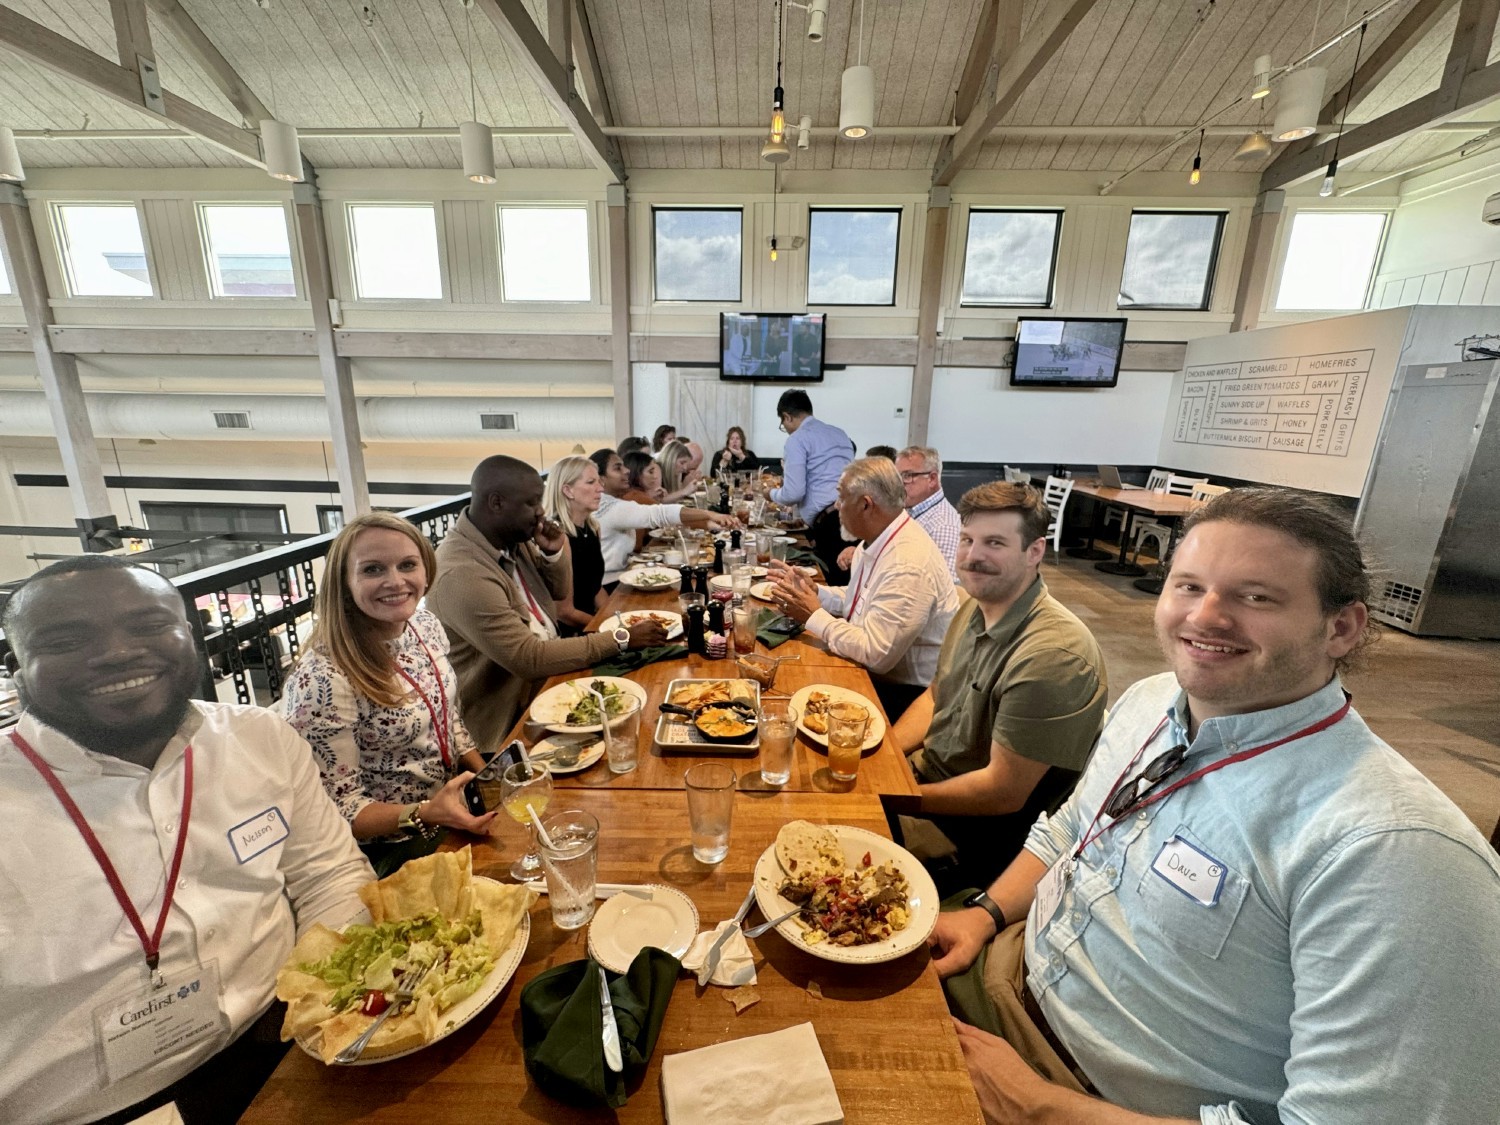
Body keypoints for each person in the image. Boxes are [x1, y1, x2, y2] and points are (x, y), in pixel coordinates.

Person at [929, 487, 1500, 1125]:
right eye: (1189, 586)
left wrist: (1035, 1106)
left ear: (1342, 627)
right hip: (1004, 964)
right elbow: (1071, 829)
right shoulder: (1151, 701)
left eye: (1256, 596)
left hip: (1074, 1093)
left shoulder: (1397, 855)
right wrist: (984, 915)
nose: (1207, 617)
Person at [0, 556, 374, 1125]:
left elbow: (330, 876)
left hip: (289, 1042)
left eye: (149, 625)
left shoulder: (260, 738)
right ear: (15, 666)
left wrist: (331, 1000)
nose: (118, 652)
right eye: (67, 638)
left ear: (190, 636)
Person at [891, 481, 1106, 891]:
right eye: (968, 539)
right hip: (927, 785)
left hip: (973, 838)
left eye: (994, 543)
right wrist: (882, 758)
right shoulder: (974, 606)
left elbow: (1002, 794)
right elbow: (938, 694)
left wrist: (897, 796)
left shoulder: (1053, 656)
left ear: (1035, 551)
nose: (973, 556)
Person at [281, 513, 496, 870]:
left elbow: (448, 717)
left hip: (451, 814)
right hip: (388, 853)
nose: (395, 581)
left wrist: (490, 778)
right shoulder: (321, 679)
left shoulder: (423, 625)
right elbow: (337, 809)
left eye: (407, 565)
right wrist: (428, 813)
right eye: (373, 570)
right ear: (344, 582)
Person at [425, 456, 668, 750]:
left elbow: (557, 591)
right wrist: (621, 638)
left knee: (648, 704)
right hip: (505, 727)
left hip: (549, 687)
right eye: (531, 503)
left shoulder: (512, 538)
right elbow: (529, 659)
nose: (541, 511)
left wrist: (554, 554)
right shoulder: (460, 573)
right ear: (496, 503)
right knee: (633, 743)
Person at [767, 457, 959, 719]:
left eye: (841, 498)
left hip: (904, 696)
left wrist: (813, 615)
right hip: (872, 672)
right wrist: (816, 593)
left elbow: (875, 654)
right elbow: (864, 598)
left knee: (784, 702)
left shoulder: (907, 563)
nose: (836, 506)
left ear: (866, 505)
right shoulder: (879, 538)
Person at [591, 447, 737, 581]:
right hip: (611, 583)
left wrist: (711, 522)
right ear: (601, 478)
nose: (626, 471)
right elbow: (662, 514)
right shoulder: (611, 507)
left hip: (619, 576)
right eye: (618, 468)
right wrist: (710, 515)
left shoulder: (615, 501)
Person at [767, 389, 854, 583]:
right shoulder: (839, 433)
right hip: (853, 514)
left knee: (830, 583)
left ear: (787, 417)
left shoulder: (797, 439)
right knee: (848, 584)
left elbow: (793, 493)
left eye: (783, 423)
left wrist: (769, 493)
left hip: (830, 523)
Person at [541, 455, 607, 633]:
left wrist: (615, 617)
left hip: (591, 623)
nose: (600, 489)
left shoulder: (593, 528)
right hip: (568, 635)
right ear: (568, 491)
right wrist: (609, 629)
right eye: (591, 482)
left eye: (600, 482)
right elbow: (563, 612)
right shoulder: (557, 536)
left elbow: (595, 588)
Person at [898, 444, 962, 581]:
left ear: (932, 479)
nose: (899, 484)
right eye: (896, 477)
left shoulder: (944, 526)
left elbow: (948, 586)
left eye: (907, 476)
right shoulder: (909, 513)